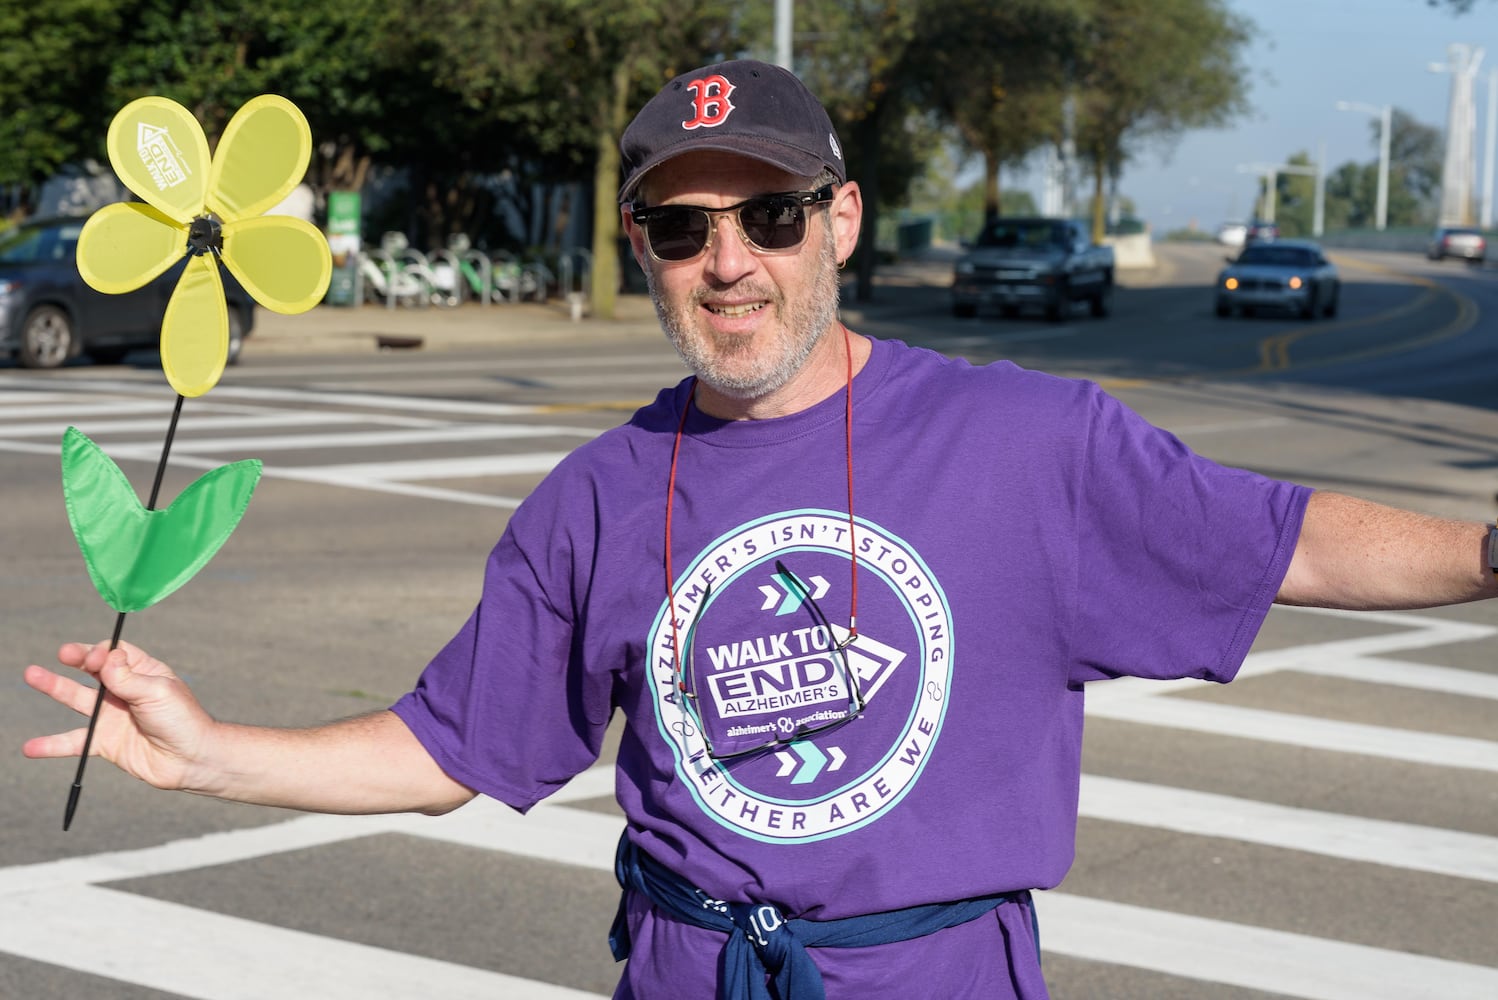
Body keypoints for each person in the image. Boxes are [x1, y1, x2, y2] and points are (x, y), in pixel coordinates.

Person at [22, 59, 1498, 999]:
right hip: (682, 974)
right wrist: (214, 755)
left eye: (769, 217)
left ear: (840, 222)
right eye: (680, 228)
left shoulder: (1025, 444)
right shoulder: (596, 493)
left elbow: (1281, 541)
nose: (727, 264)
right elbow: (451, 748)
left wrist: (1487, 556)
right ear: (646, 252)